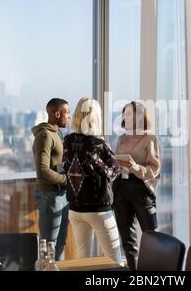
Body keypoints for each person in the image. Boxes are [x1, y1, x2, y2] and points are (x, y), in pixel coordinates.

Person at [62, 97, 122, 264]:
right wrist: (98, 160)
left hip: (75, 210)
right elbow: (112, 172)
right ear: (95, 117)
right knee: (114, 260)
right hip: (98, 210)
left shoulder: (67, 140)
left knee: (83, 261)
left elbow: (66, 165)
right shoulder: (99, 144)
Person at [113, 101, 161, 270]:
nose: (126, 117)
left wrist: (135, 167)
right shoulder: (121, 139)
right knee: (127, 240)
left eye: (130, 113)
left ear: (140, 116)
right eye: (125, 113)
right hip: (121, 189)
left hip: (141, 190)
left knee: (152, 237)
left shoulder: (150, 138)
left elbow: (154, 170)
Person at [32, 98, 70, 261]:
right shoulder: (45, 136)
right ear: (57, 113)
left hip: (61, 196)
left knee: (59, 244)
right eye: (67, 112)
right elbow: (42, 171)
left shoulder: (57, 133)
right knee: (49, 246)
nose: (69, 116)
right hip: (50, 196)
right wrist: (67, 180)